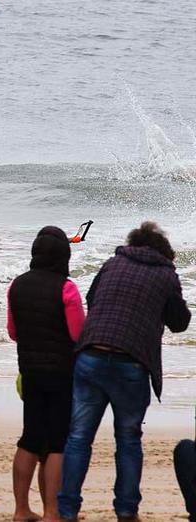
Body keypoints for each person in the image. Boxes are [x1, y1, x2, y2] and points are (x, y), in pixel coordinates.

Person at [58, 222, 191, 522]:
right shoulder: (165, 274)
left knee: (78, 437)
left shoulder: (112, 263)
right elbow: (179, 322)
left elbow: (92, 300)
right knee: (128, 440)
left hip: (90, 355)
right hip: (130, 363)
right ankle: (126, 511)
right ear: (162, 250)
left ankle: (67, 510)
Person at [6, 226, 85, 522]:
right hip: (62, 375)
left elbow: (13, 332)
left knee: (29, 438)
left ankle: (21, 509)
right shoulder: (66, 288)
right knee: (57, 442)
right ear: (63, 256)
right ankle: (53, 512)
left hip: (29, 373)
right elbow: (78, 334)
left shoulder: (17, 286)